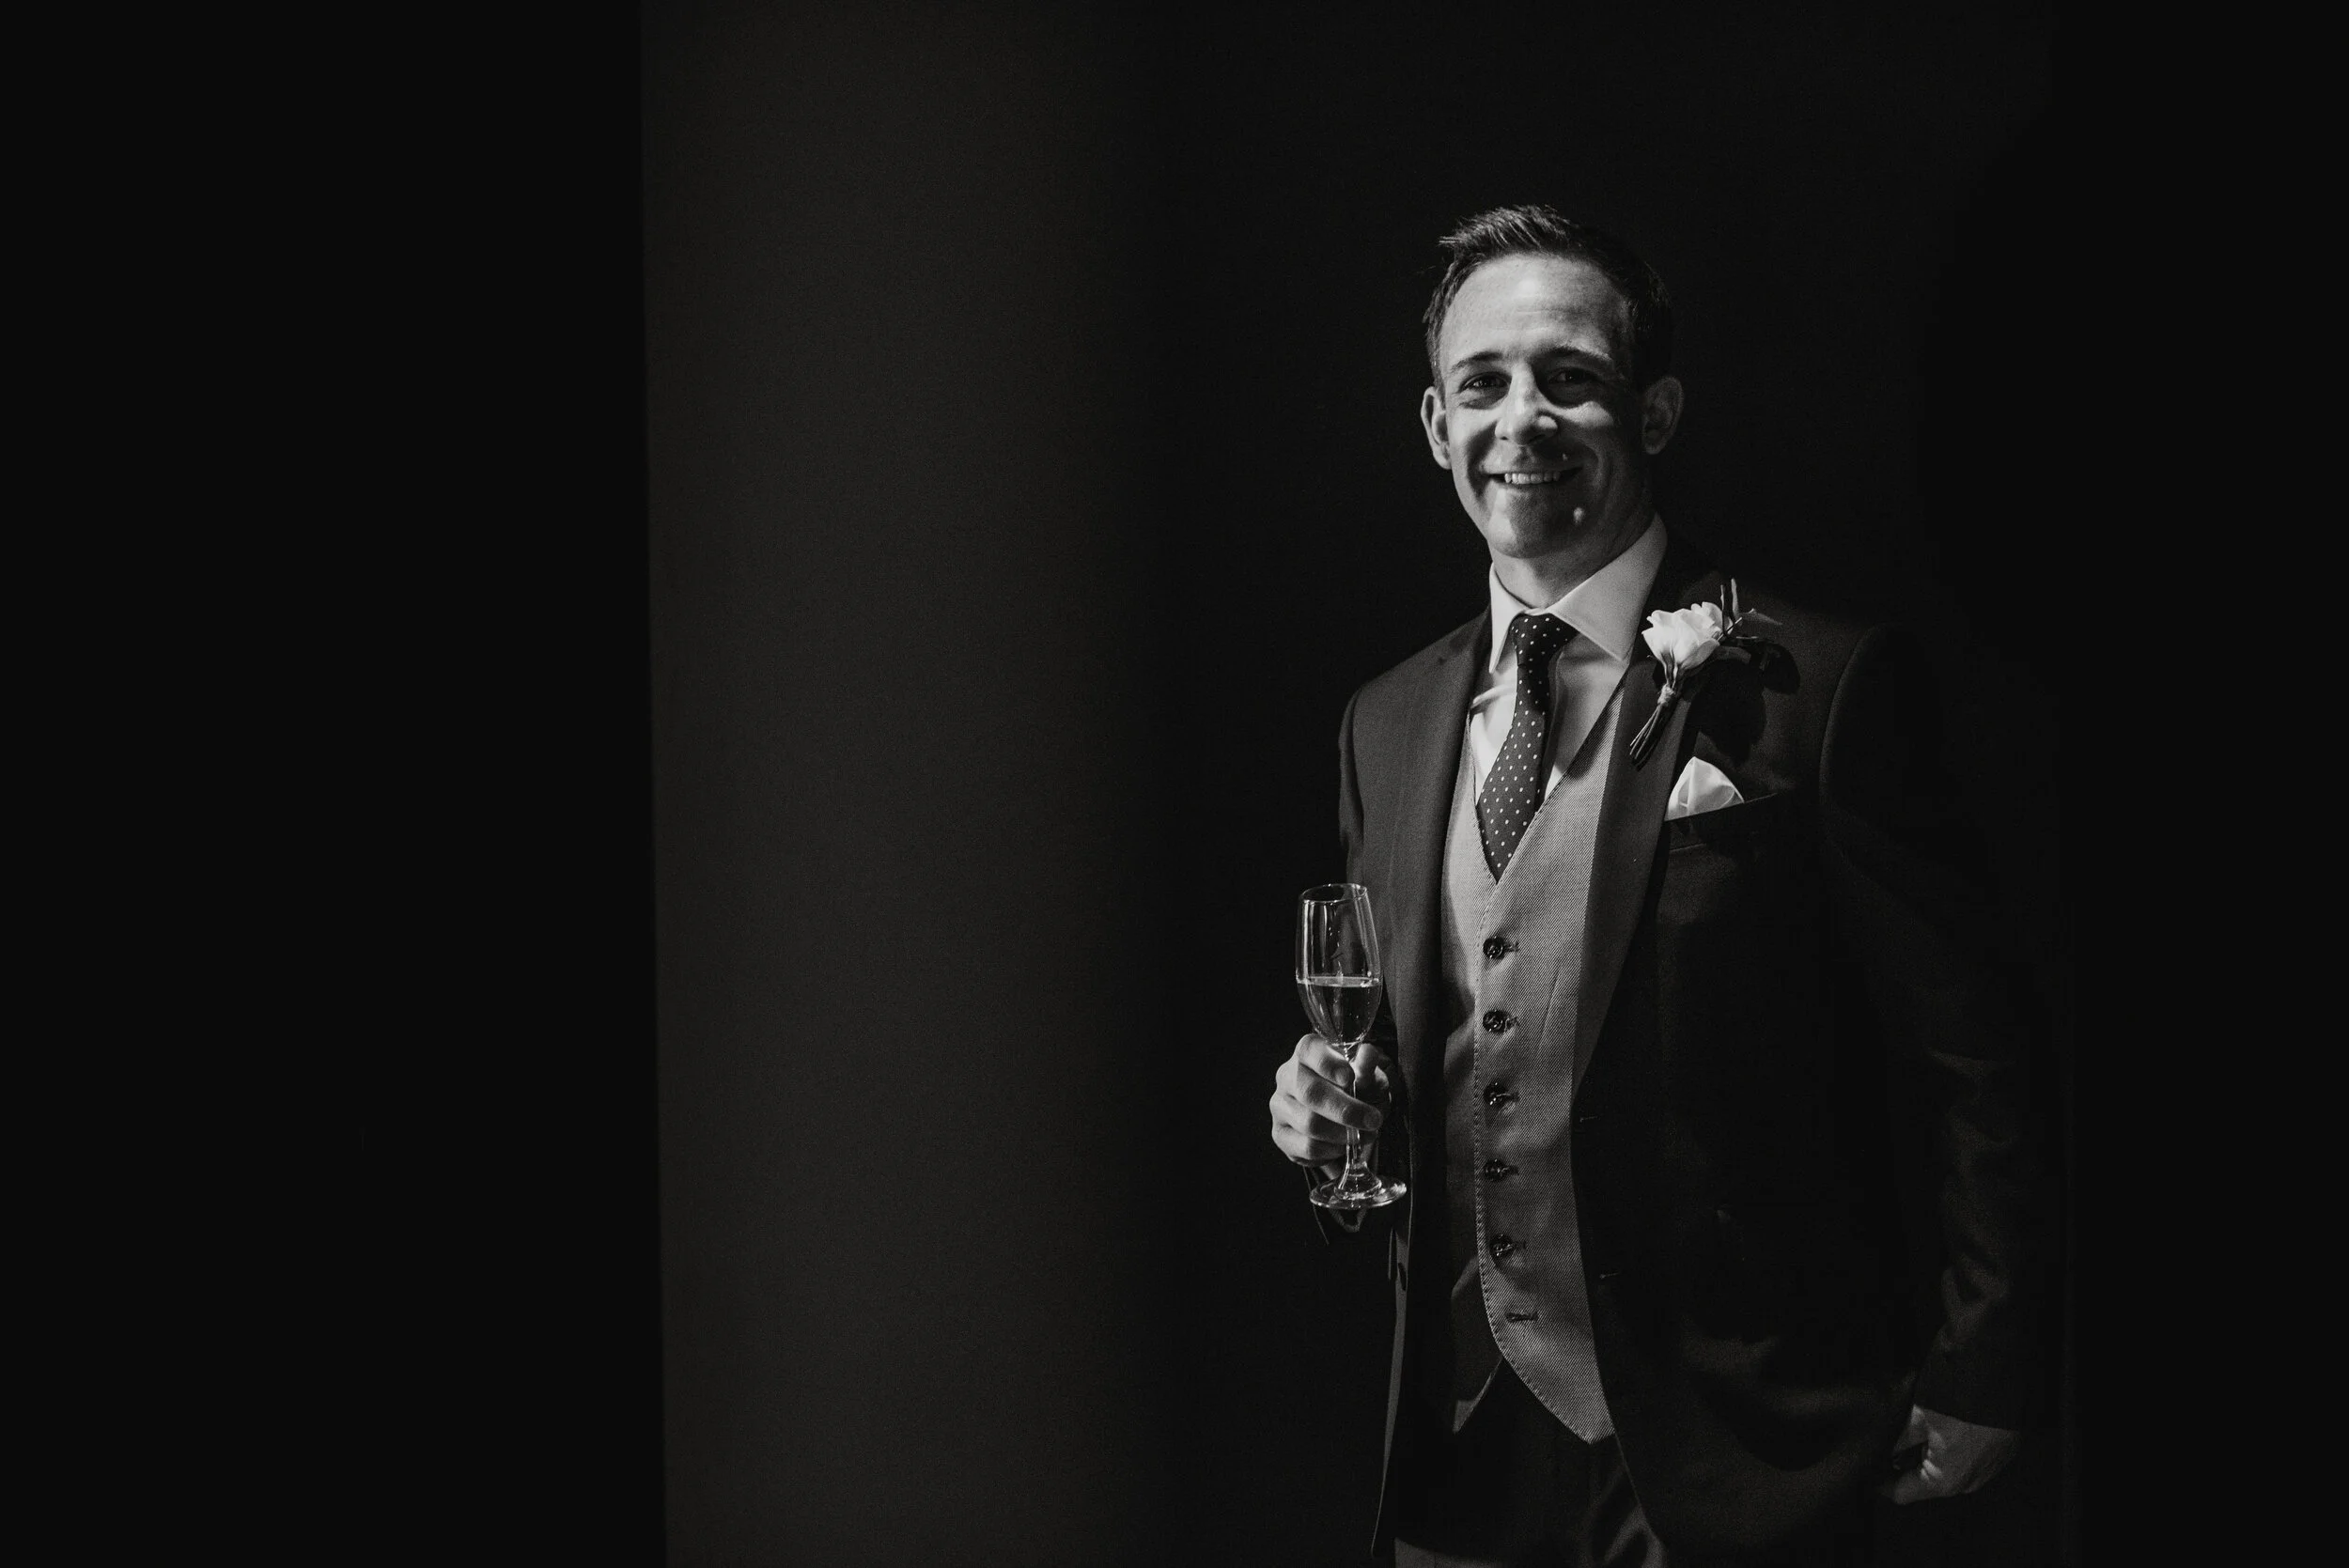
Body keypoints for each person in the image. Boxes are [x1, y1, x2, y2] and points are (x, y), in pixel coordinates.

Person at [1266, 207, 2044, 1566]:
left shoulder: (1819, 688)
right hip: (1459, 1456)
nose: (1525, 418)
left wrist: (1990, 1365)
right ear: (1437, 429)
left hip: (1738, 1452)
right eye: (1483, 384)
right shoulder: (1380, 726)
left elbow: (1973, 1058)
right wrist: (1337, 1115)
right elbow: (1432, 1057)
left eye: (1570, 377)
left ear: (1657, 410)